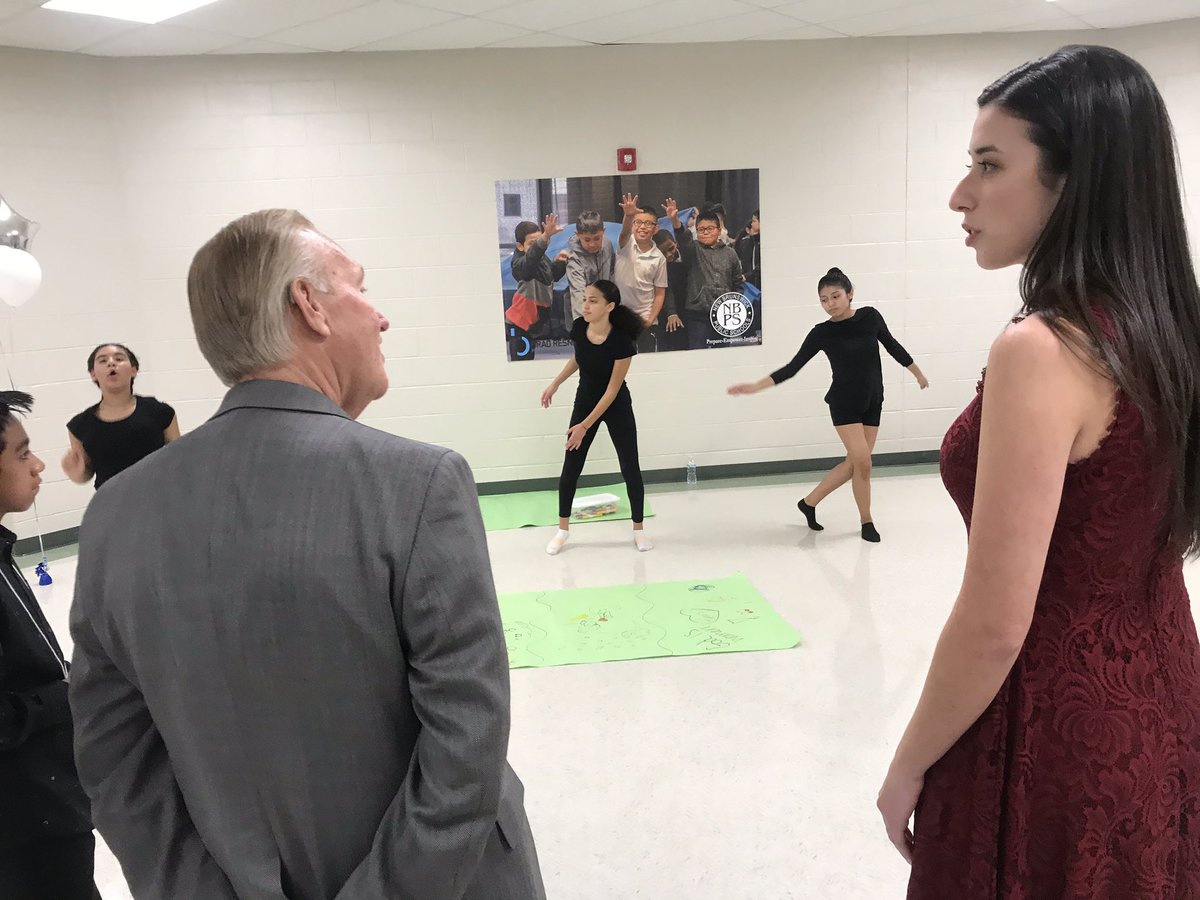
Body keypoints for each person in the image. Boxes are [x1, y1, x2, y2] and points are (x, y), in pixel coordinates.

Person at [68, 209, 545, 899]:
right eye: (360, 289)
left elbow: (116, 761)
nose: (380, 317)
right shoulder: (417, 484)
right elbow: (467, 738)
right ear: (308, 306)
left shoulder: (114, 514)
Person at [877, 45, 1200, 897]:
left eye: (989, 165)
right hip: (1163, 701)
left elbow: (996, 622)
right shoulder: (1162, 329)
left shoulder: (1043, 350)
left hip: (1052, 733)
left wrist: (908, 766)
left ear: (1073, 179)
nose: (960, 194)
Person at [728, 268, 926, 541]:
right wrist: (754, 387)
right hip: (844, 404)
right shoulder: (821, 333)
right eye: (824, 299)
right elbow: (792, 367)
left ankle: (808, 503)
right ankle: (866, 522)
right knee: (864, 463)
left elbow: (892, 345)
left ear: (850, 294)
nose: (830, 303)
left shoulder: (870, 317)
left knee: (855, 464)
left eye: (835, 296)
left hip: (873, 399)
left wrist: (916, 372)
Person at [0, 391, 99, 900]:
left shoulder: (2, 551)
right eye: (20, 453)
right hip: (25, 823)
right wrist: (64, 694)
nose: (38, 465)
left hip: (52, 802)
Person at [540, 279, 650, 555]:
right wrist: (555, 383)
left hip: (616, 405)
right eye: (585, 299)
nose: (585, 305)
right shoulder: (579, 327)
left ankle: (638, 529)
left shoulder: (622, 341)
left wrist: (583, 426)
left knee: (630, 467)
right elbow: (579, 358)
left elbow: (612, 391)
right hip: (585, 400)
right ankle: (562, 530)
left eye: (593, 300)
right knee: (571, 467)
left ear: (609, 306)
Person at [62, 343, 180, 490]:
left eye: (119, 359)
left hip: (159, 498)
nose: (111, 363)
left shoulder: (159, 411)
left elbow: (178, 459)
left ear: (134, 370)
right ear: (93, 374)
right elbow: (86, 473)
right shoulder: (79, 426)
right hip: (111, 504)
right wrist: (77, 473)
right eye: (103, 360)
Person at [664, 199, 744, 350]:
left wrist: (733, 308)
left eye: (710, 228)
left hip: (723, 316)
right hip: (697, 315)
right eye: (701, 229)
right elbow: (684, 237)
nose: (706, 232)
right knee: (697, 355)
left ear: (719, 230)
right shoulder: (692, 249)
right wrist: (675, 221)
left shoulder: (730, 253)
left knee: (723, 355)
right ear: (696, 231)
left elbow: (738, 283)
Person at [507, 213, 568, 361]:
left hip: (533, 324)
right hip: (519, 324)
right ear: (519, 246)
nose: (538, 246)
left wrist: (559, 263)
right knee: (522, 365)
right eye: (531, 243)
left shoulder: (541, 258)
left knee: (529, 361)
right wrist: (545, 237)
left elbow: (549, 277)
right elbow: (531, 260)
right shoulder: (520, 264)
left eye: (539, 241)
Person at [613, 194, 668, 354]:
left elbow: (659, 293)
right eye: (638, 222)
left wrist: (650, 320)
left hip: (644, 319)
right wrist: (628, 216)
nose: (642, 227)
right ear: (633, 225)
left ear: (655, 228)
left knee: (646, 363)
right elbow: (624, 233)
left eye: (648, 223)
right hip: (620, 318)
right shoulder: (625, 244)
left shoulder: (659, 258)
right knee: (621, 361)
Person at [564, 209, 615, 330]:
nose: (592, 244)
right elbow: (578, 294)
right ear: (577, 235)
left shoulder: (607, 244)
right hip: (582, 315)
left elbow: (612, 274)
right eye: (587, 240)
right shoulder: (574, 259)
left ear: (603, 232)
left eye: (597, 238)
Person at [735, 210, 761, 289]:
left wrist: (747, 275)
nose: (752, 224)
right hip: (752, 284)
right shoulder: (750, 242)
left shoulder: (762, 243)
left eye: (754, 221)